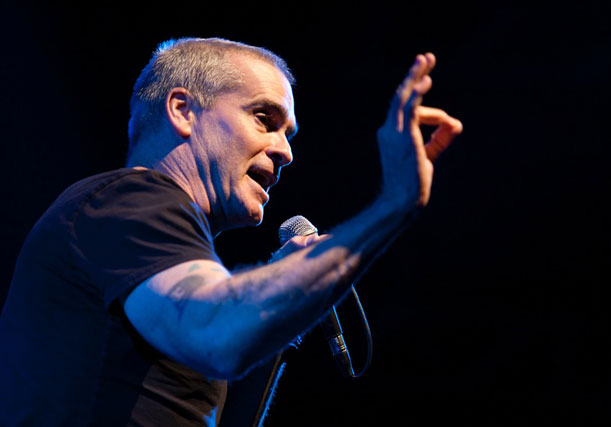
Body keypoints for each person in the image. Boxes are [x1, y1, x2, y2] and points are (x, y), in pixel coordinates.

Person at [0, 37, 462, 426]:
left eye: (290, 134)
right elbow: (217, 332)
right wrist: (392, 206)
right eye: (265, 119)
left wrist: (290, 289)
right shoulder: (129, 199)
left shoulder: (139, 237)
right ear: (183, 110)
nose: (285, 151)